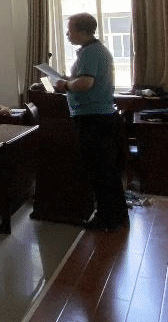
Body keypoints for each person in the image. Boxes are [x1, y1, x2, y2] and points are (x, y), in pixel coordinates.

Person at [50, 12, 128, 230]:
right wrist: (69, 80)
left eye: (70, 30)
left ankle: (106, 218)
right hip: (99, 117)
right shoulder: (95, 50)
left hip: (93, 119)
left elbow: (86, 83)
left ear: (83, 31)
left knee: (100, 170)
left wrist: (65, 85)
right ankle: (116, 215)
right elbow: (84, 79)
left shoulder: (91, 52)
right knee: (106, 169)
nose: (67, 34)